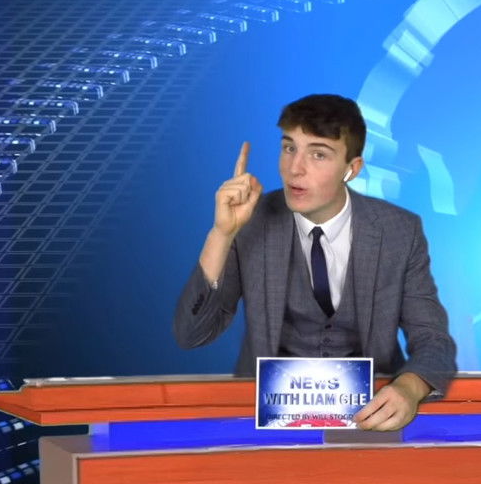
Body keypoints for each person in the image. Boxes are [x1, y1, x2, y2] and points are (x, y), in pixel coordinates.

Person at [174, 93, 456, 431]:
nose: (295, 168)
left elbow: (433, 338)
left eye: (318, 154)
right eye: (289, 147)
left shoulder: (399, 231)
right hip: (267, 424)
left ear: (352, 169)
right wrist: (221, 234)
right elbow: (192, 334)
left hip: (371, 416)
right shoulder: (251, 220)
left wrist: (409, 388)